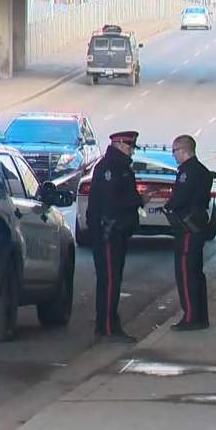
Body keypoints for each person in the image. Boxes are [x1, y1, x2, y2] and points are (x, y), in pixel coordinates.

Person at [87, 130, 144, 343]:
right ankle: (108, 327)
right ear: (118, 145)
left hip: (116, 231)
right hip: (108, 231)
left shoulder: (120, 166)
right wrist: (138, 200)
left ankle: (108, 322)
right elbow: (114, 201)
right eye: (129, 147)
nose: (131, 151)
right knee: (110, 279)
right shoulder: (110, 168)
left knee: (112, 279)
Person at [162, 134, 216, 331]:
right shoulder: (201, 170)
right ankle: (201, 316)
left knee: (186, 274)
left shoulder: (187, 172)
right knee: (196, 273)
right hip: (197, 226)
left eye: (175, 151)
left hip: (187, 228)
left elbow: (180, 198)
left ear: (184, 150)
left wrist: (168, 206)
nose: (174, 155)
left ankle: (191, 317)